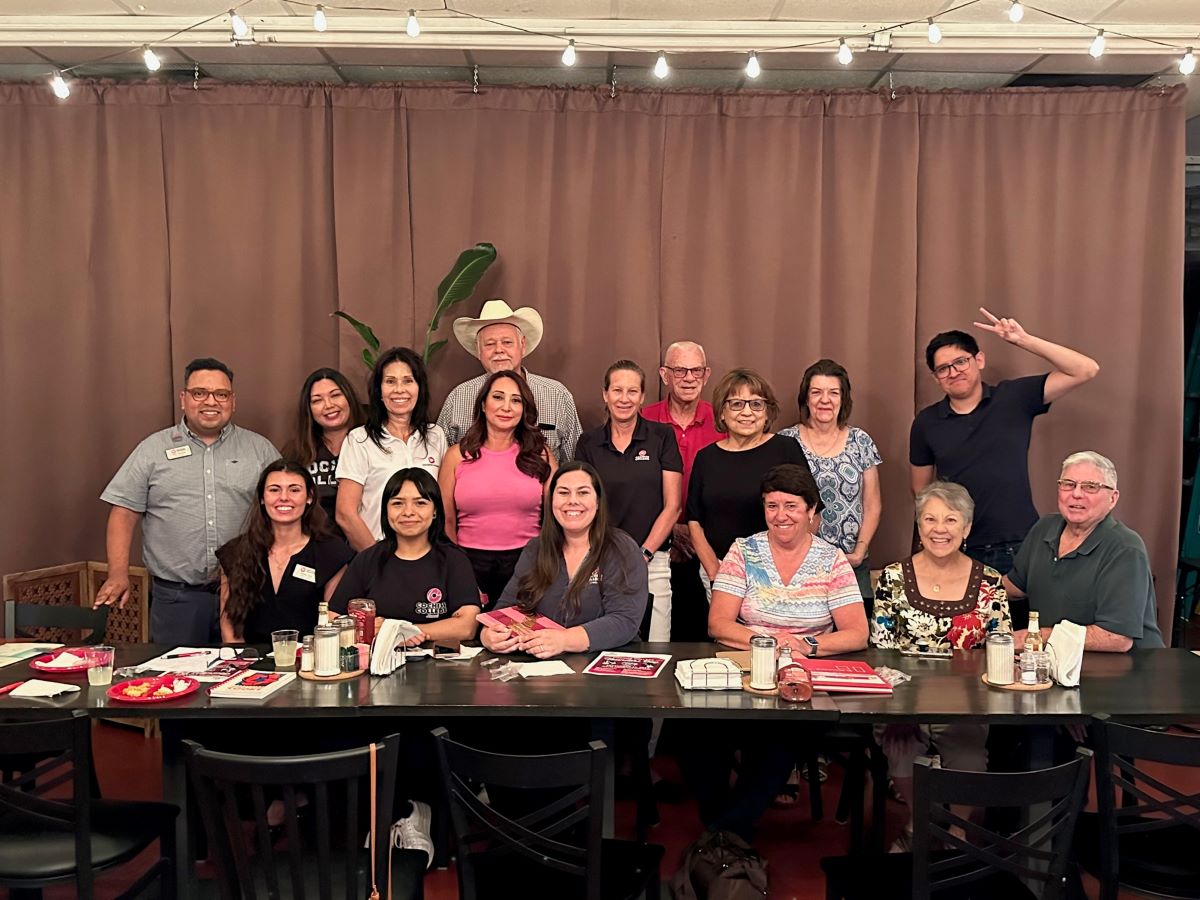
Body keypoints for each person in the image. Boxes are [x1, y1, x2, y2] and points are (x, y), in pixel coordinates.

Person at [687, 464, 866, 841]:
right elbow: (718, 624)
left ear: (812, 511)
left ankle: (721, 837)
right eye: (772, 506)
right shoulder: (743, 550)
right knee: (700, 735)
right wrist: (768, 643)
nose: (780, 515)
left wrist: (806, 645)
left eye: (791, 506)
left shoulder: (832, 560)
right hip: (747, 671)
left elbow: (856, 633)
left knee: (779, 738)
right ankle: (727, 832)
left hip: (801, 679)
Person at [96, 357, 279, 645]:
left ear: (233, 401)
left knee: (249, 679)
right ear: (184, 399)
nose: (211, 401)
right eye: (199, 393)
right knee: (178, 679)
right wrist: (117, 574)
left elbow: (285, 513)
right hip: (176, 599)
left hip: (246, 593)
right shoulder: (152, 450)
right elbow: (124, 511)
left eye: (221, 394)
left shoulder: (260, 450)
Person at [870, 481, 1009, 849]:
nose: (939, 529)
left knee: (969, 760)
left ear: (966, 529)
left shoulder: (990, 583)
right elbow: (882, 652)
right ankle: (918, 825)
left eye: (951, 520)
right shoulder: (893, 578)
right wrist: (904, 704)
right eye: (929, 519)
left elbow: (1001, 649)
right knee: (901, 751)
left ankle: (958, 832)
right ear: (919, 527)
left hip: (965, 702)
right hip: (905, 703)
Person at [910, 308, 1100, 575]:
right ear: (936, 377)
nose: (953, 372)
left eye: (961, 362)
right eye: (943, 369)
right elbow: (921, 493)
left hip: (1018, 543)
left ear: (979, 360)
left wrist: (1024, 340)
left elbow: (1086, 370)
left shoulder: (1013, 397)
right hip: (958, 545)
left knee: (1024, 618)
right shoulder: (926, 422)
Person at [480, 461, 649, 658]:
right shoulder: (536, 548)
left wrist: (564, 640)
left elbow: (624, 620)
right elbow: (506, 608)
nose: (572, 501)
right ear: (551, 501)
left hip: (606, 669)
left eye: (583, 493)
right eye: (563, 493)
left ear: (598, 502)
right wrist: (489, 635)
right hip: (543, 671)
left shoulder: (621, 548)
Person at [1005, 451, 1163, 651]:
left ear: (1112, 499)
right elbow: (1016, 586)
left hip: (1126, 670)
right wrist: (966, 587)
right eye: (1068, 484)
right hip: (1059, 663)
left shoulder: (1125, 548)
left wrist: (1035, 636)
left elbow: (1117, 638)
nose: (1077, 494)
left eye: (1090, 487)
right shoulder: (1045, 527)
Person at [575, 360, 682, 641]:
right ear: (605, 394)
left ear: (642, 396)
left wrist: (642, 553)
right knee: (603, 644)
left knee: (656, 646)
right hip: (599, 558)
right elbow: (582, 504)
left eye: (632, 391)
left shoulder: (662, 437)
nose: (624, 399)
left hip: (653, 559)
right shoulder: (588, 443)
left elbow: (673, 506)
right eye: (617, 390)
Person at [686, 369, 812, 599]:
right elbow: (694, 521)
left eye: (756, 404)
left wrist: (793, 563)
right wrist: (716, 571)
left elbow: (811, 511)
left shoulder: (785, 448)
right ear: (722, 412)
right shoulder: (706, 458)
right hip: (721, 572)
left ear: (767, 412)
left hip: (780, 574)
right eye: (736, 404)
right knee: (727, 635)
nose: (746, 412)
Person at [438, 370, 556, 608]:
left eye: (516, 400)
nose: (506, 407)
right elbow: (445, 521)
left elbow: (556, 515)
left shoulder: (540, 454)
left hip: (528, 563)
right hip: (468, 563)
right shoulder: (456, 456)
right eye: (498, 397)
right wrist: (460, 574)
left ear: (524, 409)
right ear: (483, 404)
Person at [329, 468, 481, 645]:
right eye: (398, 503)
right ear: (386, 511)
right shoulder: (367, 559)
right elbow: (334, 618)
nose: (408, 512)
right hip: (376, 665)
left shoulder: (454, 560)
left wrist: (399, 631)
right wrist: (367, 630)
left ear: (435, 511)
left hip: (439, 667)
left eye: (420, 503)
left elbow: (467, 626)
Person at [216, 460, 353, 643]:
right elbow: (229, 627)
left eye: (294, 490)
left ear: (309, 497)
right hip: (250, 663)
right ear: (262, 498)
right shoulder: (234, 553)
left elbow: (332, 624)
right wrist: (242, 664)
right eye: (274, 490)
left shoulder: (332, 553)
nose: (284, 497)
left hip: (309, 662)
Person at [779, 359, 882, 599]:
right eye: (816, 392)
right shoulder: (785, 442)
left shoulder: (860, 441)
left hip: (851, 563)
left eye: (833, 393)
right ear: (806, 398)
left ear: (843, 399)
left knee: (855, 633)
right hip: (799, 563)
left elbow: (872, 504)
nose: (825, 400)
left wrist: (859, 552)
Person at [437, 299, 582, 462]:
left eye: (507, 342)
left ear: (522, 345)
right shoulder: (458, 398)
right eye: (490, 344)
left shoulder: (557, 396)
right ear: (478, 350)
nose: (499, 350)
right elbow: (442, 462)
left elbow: (574, 464)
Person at [642, 340, 720, 641]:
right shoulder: (643, 420)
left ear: (706, 374)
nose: (689, 378)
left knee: (704, 639)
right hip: (655, 544)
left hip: (710, 547)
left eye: (696, 370)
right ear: (664, 375)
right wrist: (671, 530)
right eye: (679, 370)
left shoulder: (724, 420)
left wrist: (695, 531)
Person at [336, 347, 447, 552]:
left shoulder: (436, 436)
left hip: (428, 556)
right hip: (377, 551)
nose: (399, 389)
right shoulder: (359, 440)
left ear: (419, 388)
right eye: (390, 381)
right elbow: (345, 513)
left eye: (408, 380)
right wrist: (377, 560)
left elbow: (443, 504)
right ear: (379, 391)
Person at [280, 367, 366, 539]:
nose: (328, 405)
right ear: (309, 409)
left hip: (368, 544)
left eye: (335, 395)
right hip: (316, 548)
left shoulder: (373, 443)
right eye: (317, 400)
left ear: (349, 398)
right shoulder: (297, 452)